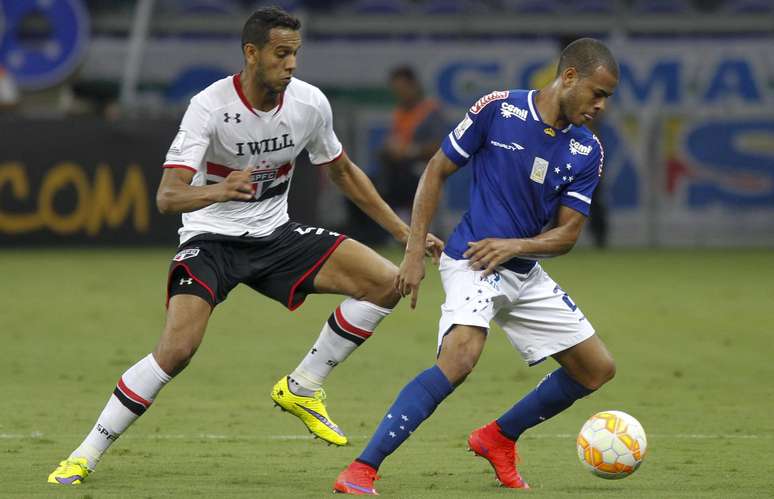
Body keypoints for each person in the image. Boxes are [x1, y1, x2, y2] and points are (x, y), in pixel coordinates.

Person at [48, 7, 442, 486]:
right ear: (251, 54)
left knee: (385, 282)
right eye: (281, 53)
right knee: (177, 350)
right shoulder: (211, 107)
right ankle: (84, 455)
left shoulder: (309, 104)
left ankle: (303, 386)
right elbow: (167, 196)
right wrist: (218, 190)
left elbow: (341, 171)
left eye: (295, 53)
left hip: (275, 236)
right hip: (211, 239)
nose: (291, 64)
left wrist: (408, 235)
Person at [333, 38, 619, 494]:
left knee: (596, 369)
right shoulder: (499, 108)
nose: (601, 105)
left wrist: (515, 246)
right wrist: (411, 252)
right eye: (597, 93)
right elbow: (435, 170)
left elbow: (566, 235)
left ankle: (498, 437)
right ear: (569, 78)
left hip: (523, 268)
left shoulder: (587, 149)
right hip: (471, 261)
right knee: (461, 358)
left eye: (607, 98)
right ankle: (363, 468)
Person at [379, 65, 446, 222]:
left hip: (424, 168)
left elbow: (439, 146)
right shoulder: (400, 112)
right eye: (396, 90)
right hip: (398, 170)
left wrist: (410, 150)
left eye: (403, 89)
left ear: (413, 85)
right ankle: (394, 224)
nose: (400, 94)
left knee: (407, 177)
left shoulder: (431, 111)